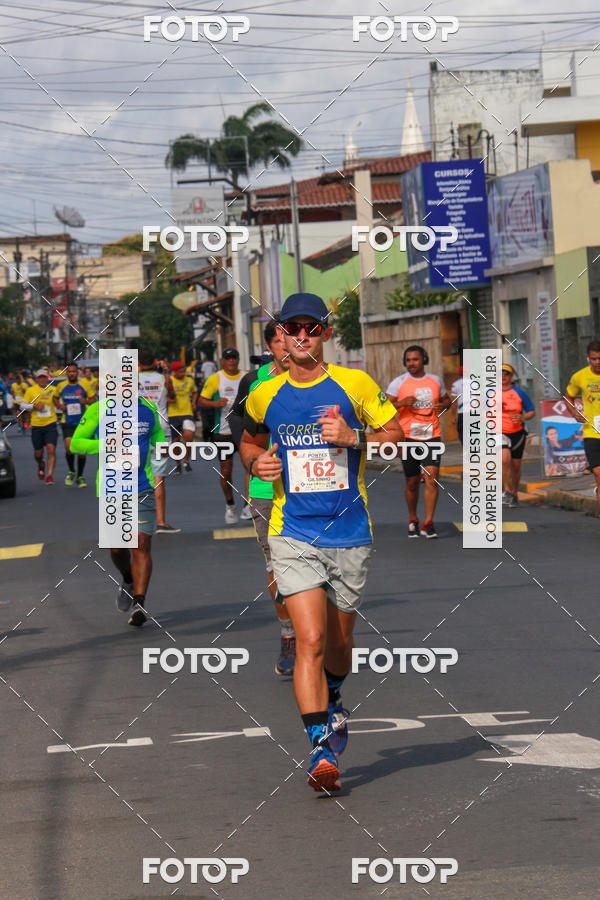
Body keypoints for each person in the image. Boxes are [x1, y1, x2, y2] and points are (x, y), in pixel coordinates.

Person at [241, 292, 403, 793]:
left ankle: (334, 695)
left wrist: (354, 438)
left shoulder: (354, 383)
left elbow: (396, 435)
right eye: (294, 328)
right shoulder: (264, 393)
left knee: (339, 643)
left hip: (349, 531)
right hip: (291, 531)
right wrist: (255, 463)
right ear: (281, 337)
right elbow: (247, 439)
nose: (303, 336)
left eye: (312, 328)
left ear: (326, 334)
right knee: (308, 640)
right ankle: (318, 749)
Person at [230, 317, 296, 677]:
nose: (289, 347)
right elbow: (245, 440)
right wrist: (257, 464)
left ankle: (315, 630)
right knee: (276, 566)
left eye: (294, 339)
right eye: (281, 341)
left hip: (316, 487)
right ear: (270, 347)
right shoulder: (255, 383)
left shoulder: (326, 380)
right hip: (266, 488)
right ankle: (289, 633)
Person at [71, 395, 166, 627]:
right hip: (111, 489)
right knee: (117, 548)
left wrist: (167, 452)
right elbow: (76, 443)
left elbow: (158, 438)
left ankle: (140, 604)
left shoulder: (148, 408)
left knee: (141, 544)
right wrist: (105, 445)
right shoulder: (98, 409)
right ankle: (127, 580)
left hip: (142, 487)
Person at [385, 346, 451, 538]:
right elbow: (383, 406)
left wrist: (443, 405)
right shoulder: (398, 383)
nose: (411, 363)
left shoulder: (435, 381)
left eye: (415, 359)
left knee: (432, 476)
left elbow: (447, 401)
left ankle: (428, 522)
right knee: (412, 482)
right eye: (408, 360)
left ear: (423, 359)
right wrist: (401, 403)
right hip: (409, 437)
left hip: (432, 435)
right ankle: (413, 518)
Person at [199, 348, 246, 524]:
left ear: (238, 360)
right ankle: (230, 504)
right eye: (228, 358)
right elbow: (201, 401)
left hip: (243, 430)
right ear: (223, 360)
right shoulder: (215, 378)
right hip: (223, 431)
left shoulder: (246, 377)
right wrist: (215, 403)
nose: (232, 361)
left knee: (251, 468)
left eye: (234, 357)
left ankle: (248, 505)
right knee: (226, 471)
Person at [138, 348, 180, 533]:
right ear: (155, 361)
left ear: (138, 364)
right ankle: (161, 522)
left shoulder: (132, 380)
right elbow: (173, 397)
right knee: (158, 478)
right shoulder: (165, 379)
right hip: (161, 430)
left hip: (139, 428)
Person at [564, 339, 600, 511]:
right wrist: (574, 413)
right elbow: (568, 397)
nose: (597, 362)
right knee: (599, 475)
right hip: (592, 433)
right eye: (594, 359)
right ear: (588, 358)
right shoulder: (580, 376)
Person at [500, 364, 535, 507]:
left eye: (506, 374)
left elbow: (531, 411)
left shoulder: (519, 392)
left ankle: (514, 493)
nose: (503, 376)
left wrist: (522, 418)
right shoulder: (490, 393)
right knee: (504, 459)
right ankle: (506, 490)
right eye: (500, 373)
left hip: (518, 433)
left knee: (515, 466)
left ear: (511, 376)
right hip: (499, 431)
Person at [21, 368, 60, 484]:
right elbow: (22, 406)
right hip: (37, 425)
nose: (42, 379)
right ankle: (41, 464)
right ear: (36, 379)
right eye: (40, 377)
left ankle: (49, 476)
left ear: (47, 378)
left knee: (51, 450)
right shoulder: (31, 390)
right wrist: (33, 406)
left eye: (44, 377)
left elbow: (60, 401)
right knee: (38, 453)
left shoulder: (53, 389)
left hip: (51, 423)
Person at [54, 363, 89, 487]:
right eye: (69, 372)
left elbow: (93, 398)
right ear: (66, 373)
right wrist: (60, 406)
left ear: (77, 372)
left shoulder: (84, 385)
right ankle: (72, 470)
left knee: (81, 451)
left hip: (82, 422)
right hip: (67, 421)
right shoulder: (61, 386)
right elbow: (55, 398)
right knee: (69, 448)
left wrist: (86, 401)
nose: (72, 374)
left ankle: (80, 476)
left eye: (74, 372)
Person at [167, 362, 197, 475]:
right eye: (180, 372)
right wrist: (168, 400)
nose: (183, 373)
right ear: (174, 372)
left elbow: (195, 391)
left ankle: (186, 461)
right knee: (175, 442)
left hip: (187, 412)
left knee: (189, 436)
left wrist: (194, 402)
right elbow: (162, 395)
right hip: (173, 414)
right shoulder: (168, 381)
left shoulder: (189, 380)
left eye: (183, 371)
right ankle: (178, 464)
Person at [451, 365, 465, 445]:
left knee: (461, 432)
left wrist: (453, 416)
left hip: (462, 412)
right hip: (474, 411)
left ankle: (467, 449)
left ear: (459, 373)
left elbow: (454, 402)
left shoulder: (455, 384)